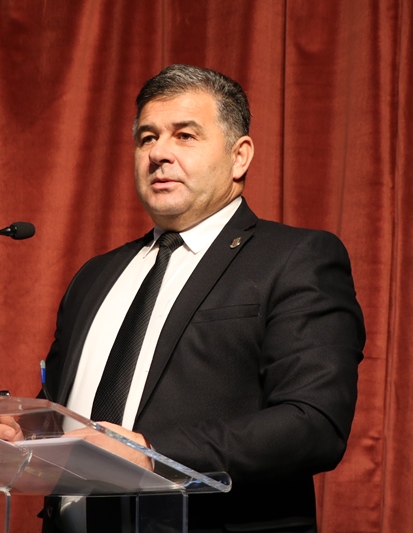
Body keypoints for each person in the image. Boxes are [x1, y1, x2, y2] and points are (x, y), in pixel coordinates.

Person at [37, 64, 365, 532]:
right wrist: (16, 431)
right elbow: (62, 411)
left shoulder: (295, 258)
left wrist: (153, 453)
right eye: (147, 138)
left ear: (239, 156)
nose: (158, 153)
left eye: (185, 136)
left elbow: (314, 423)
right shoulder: (95, 275)